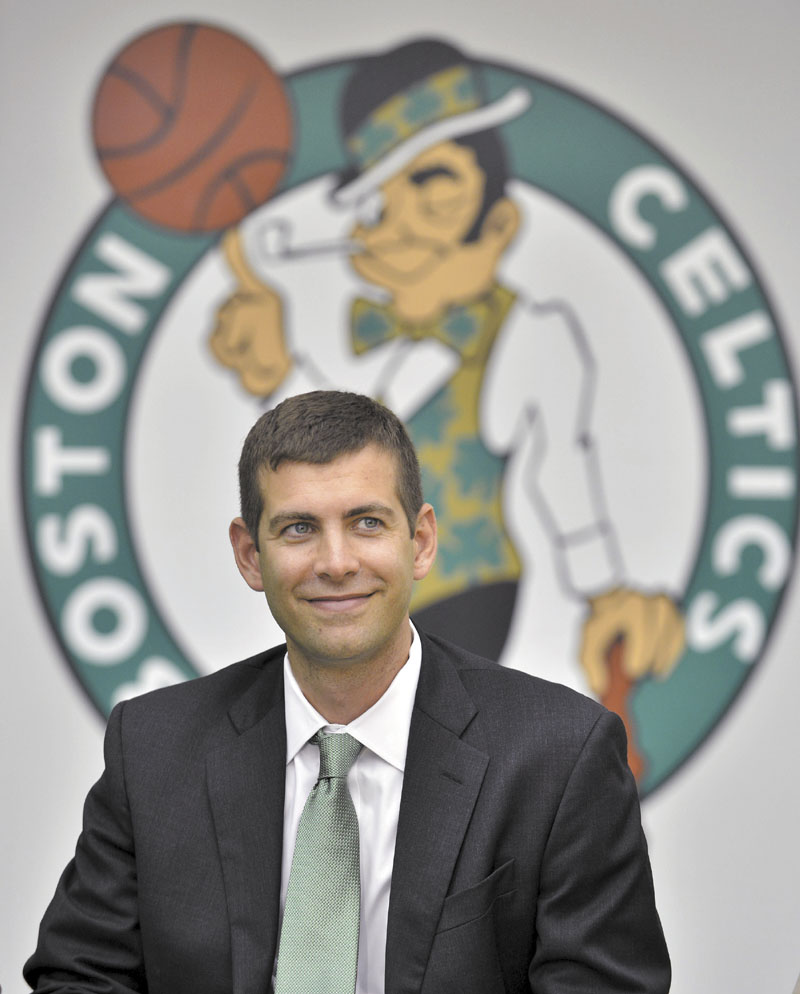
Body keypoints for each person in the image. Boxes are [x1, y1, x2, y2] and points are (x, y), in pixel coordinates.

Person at [25, 390, 670, 993]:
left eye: (366, 522)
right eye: (298, 529)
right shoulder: (153, 749)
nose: (336, 563)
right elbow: (79, 977)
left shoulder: (559, 755)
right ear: (249, 554)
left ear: (421, 542)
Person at [209, 39, 685, 777]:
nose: (400, 224)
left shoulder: (531, 332)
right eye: (381, 200)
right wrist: (279, 367)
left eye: (434, 185)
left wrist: (604, 590)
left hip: (467, 600)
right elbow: (337, 452)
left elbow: (562, 471)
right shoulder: (391, 349)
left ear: (497, 222)